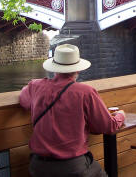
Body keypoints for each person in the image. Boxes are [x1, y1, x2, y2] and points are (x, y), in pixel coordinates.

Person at [19, 44, 125, 177]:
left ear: (54, 68)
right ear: (78, 70)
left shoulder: (35, 86)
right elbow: (107, 126)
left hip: (38, 166)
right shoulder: (85, 92)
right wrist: (121, 115)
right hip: (72, 167)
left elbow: (24, 101)